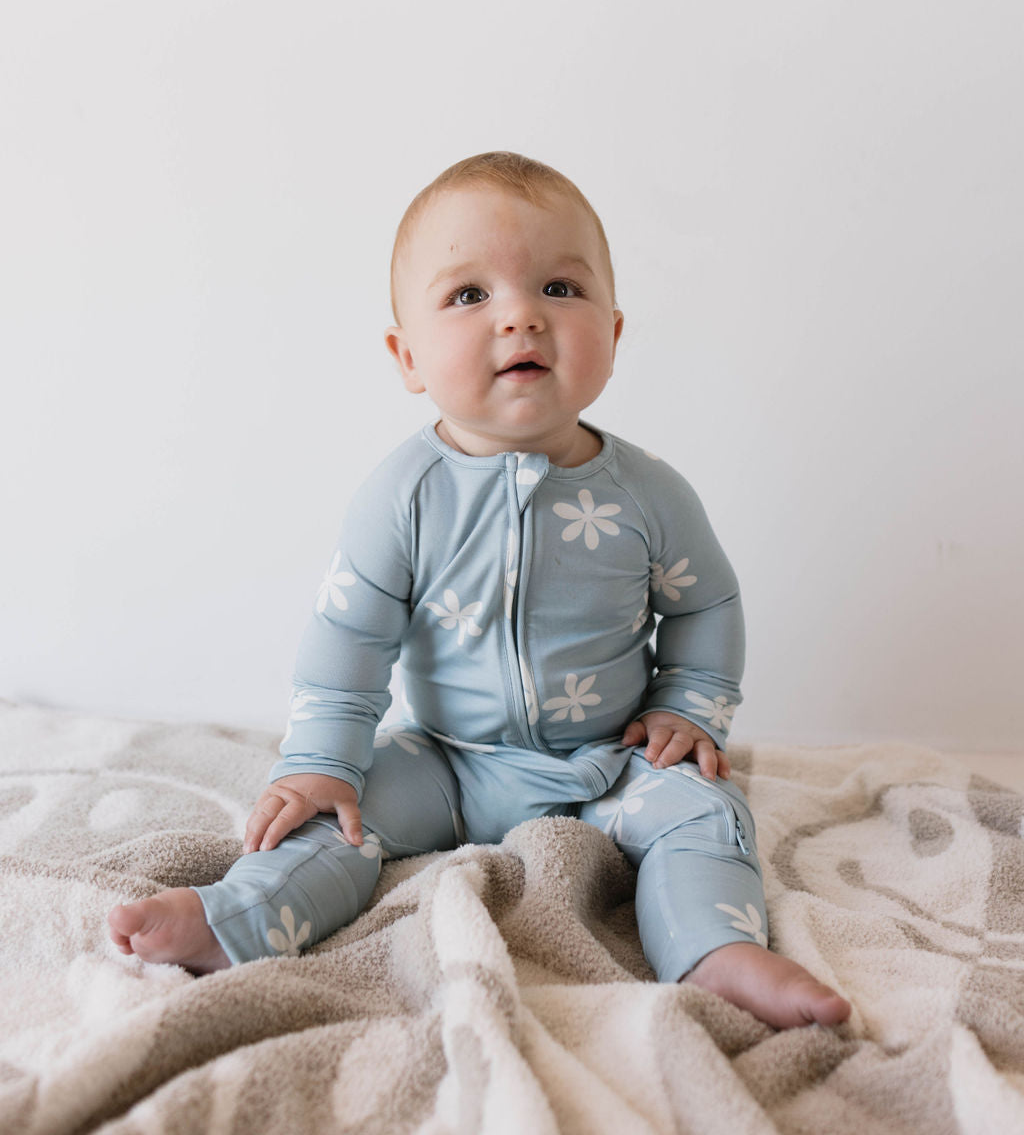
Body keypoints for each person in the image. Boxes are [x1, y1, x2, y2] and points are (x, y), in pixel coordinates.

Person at [110, 151, 851, 1029]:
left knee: (704, 811)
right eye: (470, 296)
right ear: (408, 355)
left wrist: (689, 706)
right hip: (449, 764)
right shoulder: (403, 496)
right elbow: (349, 642)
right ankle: (236, 918)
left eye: (561, 289)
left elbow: (705, 604)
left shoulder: (648, 494)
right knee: (339, 817)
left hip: (613, 761)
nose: (522, 317)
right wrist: (322, 761)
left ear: (613, 333)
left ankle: (718, 950)